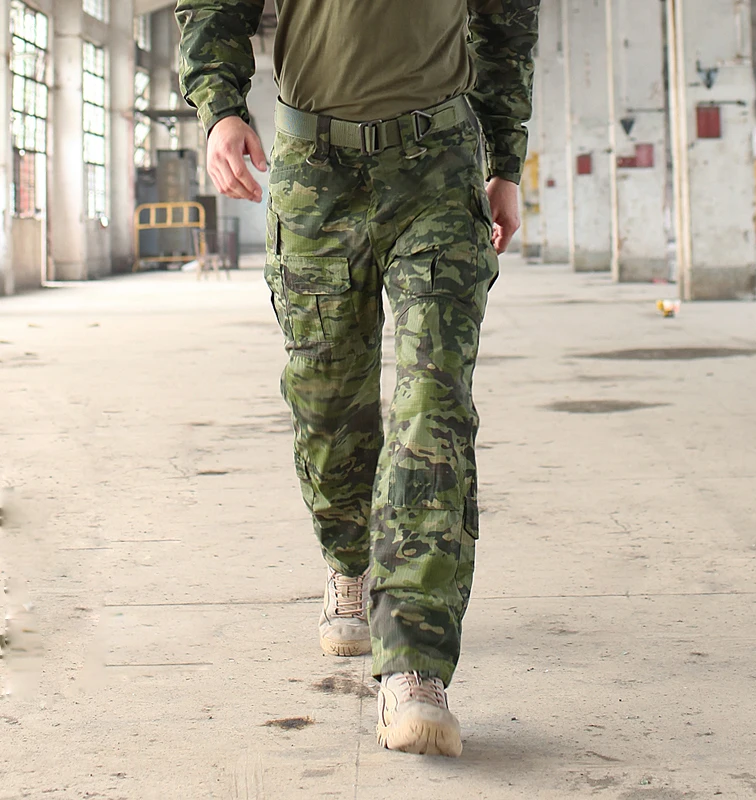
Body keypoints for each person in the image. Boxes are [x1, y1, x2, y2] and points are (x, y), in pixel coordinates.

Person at [176, 0, 538, 757]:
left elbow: (505, 21)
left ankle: (413, 662)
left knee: (433, 405)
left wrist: (505, 162)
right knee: (327, 407)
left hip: (437, 170)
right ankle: (349, 563)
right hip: (313, 170)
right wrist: (219, 109)